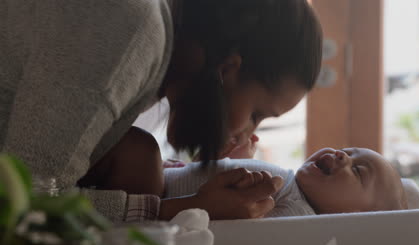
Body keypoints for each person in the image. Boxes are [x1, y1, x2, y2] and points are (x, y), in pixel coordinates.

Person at [0, 0, 322, 221]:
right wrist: (185, 209)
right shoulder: (132, 29)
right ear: (228, 70)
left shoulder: (159, 43)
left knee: (140, 156)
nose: (246, 133)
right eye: (256, 114)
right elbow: (24, 199)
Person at [164, 147, 408, 217]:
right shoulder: (292, 187)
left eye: (357, 172)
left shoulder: (299, 214)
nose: (342, 156)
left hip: (158, 192)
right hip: (167, 178)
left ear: (356, 217)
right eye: (347, 150)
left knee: (140, 147)